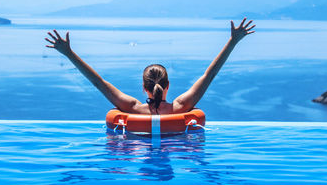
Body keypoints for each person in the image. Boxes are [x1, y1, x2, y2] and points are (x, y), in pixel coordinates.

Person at [45, 18, 255, 115]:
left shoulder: (132, 108)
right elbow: (210, 75)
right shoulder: (181, 107)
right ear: (168, 85)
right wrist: (233, 41)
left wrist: (69, 53)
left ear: (144, 87)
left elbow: (98, 82)